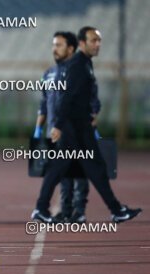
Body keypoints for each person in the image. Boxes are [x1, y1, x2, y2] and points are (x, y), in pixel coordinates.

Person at [31, 26, 141, 224]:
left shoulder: (84, 64)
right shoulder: (78, 65)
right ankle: (45, 208)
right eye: (93, 40)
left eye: (99, 41)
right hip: (73, 128)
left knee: (90, 168)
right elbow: (66, 96)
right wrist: (57, 125)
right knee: (70, 168)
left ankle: (114, 210)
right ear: (81, 43)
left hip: (79, 126)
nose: (97, 44)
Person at [33, 31, 100, 223]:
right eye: (53, 45)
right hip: (55, 131)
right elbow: (44, 103)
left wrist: (92, 125)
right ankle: (65, 209)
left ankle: (79, 210)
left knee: (79, 170)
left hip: (76, 130)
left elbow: (93, 102)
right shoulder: (48, 74)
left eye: (59, 45)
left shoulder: (79, 71)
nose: (54, 49)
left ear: (71, 49)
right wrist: (38, 129)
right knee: (62, 172)